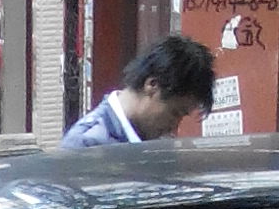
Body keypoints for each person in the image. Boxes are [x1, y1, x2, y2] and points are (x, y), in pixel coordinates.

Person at [60, 34, 217, 147]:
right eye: (175, 113)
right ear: (152, 85)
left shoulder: (157, 143)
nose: (174, 126)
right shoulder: (87, 144)